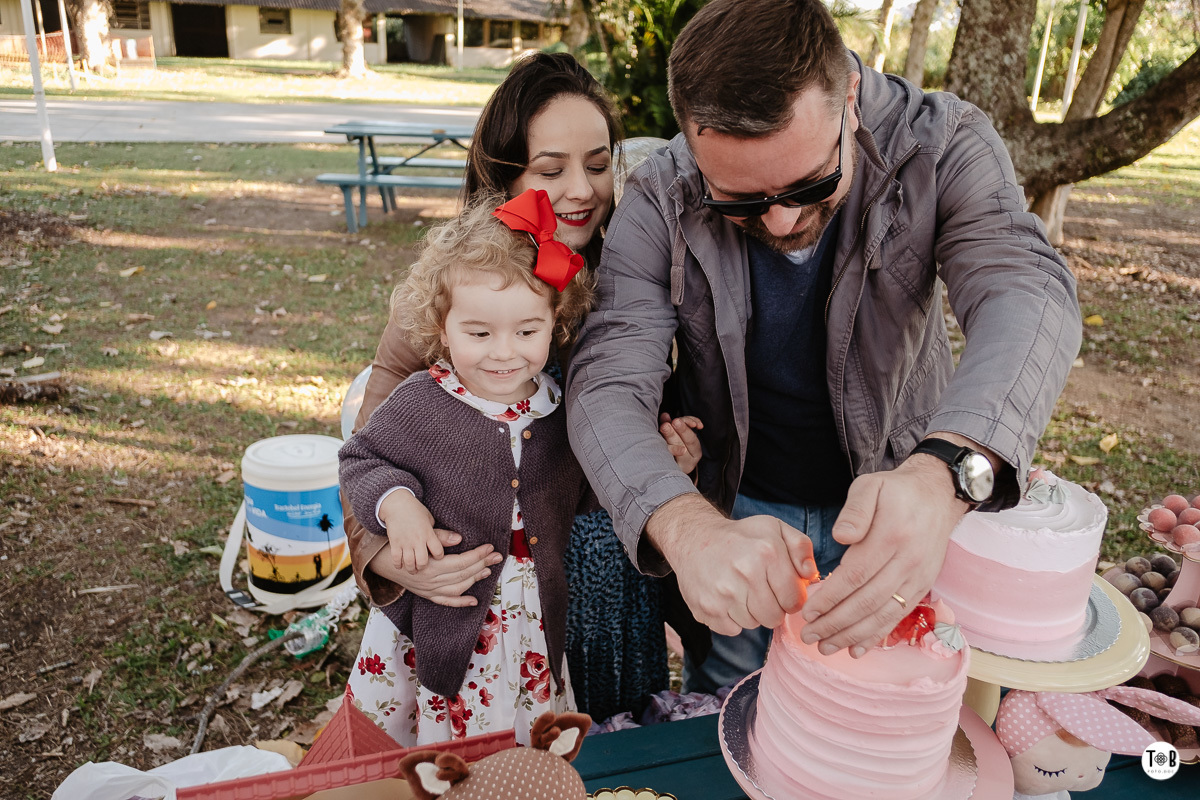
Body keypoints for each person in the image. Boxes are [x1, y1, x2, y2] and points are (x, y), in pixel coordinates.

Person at [565, 0, 1083, 694]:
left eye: (809, 183)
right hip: (737, 510)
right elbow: (607, 376)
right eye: (739, 201)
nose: (780, 220)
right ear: (691, 143)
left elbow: (1026, 293)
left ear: (850, 97)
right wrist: (686, 529)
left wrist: (947, 476)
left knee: (899, 713)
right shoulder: (662, 192)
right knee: (733, 705)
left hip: (902, 502)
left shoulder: (943, 141)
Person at [342, 52, 676, 723]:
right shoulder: (460, 284)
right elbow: (372, 443)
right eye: (551, 170)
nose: (582, 189)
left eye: (599, 163)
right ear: (504, 175)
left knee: (597, 748)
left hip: (605, 585)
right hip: (481, 591)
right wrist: (392, 560)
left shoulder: (637, 271)